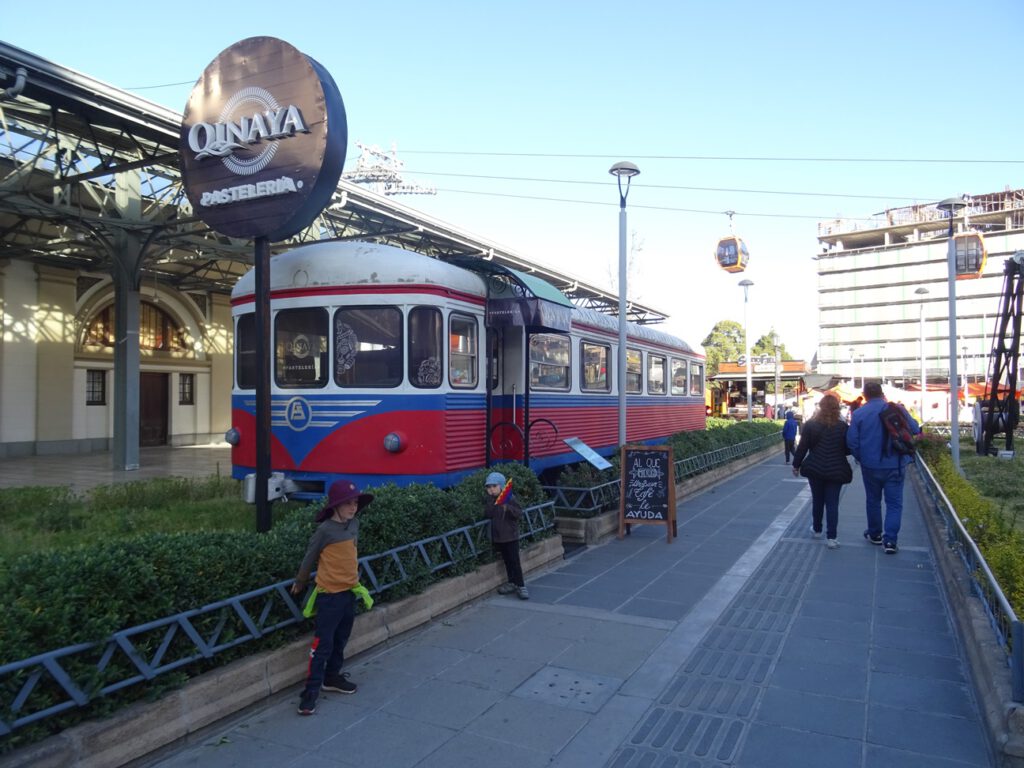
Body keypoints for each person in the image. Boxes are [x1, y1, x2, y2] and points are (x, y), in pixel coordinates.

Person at [290, 479, 374, 716]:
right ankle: (310, 693)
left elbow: (352, 551)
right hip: (329, 597)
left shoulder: (354, 524)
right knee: (323, 644)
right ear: (335, 506)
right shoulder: (325, 530)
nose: (352, 508)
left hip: (349, 592)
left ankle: (332, 677)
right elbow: (310, 556)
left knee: (341, 639)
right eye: (347, 504)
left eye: (355, 503)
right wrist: (300, 581)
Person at [846, 381, 920, 554]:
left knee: (873, 500)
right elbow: (915, 429)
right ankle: (890, 541)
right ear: (882, 393)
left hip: (870, 465)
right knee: (894, 503)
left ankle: (875, 534)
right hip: (895, 464)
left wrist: (860, 457)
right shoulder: (897, 409)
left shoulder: (859, 414)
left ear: (865, 395)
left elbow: (851, 441)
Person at [791, 394, 853, 549]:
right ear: (837, 408)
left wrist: (796, 465)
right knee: (832, 503)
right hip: (837, 469)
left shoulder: (811, 425)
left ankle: (817, 529)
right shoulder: (843, 427)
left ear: (821, 407)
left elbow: (803, 447)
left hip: (815, 468)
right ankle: (832, 537)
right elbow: (848, 449)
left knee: (818, 500)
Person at [485, 471, 528, 600]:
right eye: (489, 487)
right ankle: (511, 582)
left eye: (494, 486)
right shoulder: (491, 500)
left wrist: (507, 508)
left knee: (515, 561)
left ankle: (521, 585)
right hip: (499, 537)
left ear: (501, 487)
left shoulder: (510, 499)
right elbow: (488, 514)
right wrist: (493, 504)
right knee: (507, 561)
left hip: (511, 536)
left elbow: (519, 513)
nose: (491, 490)